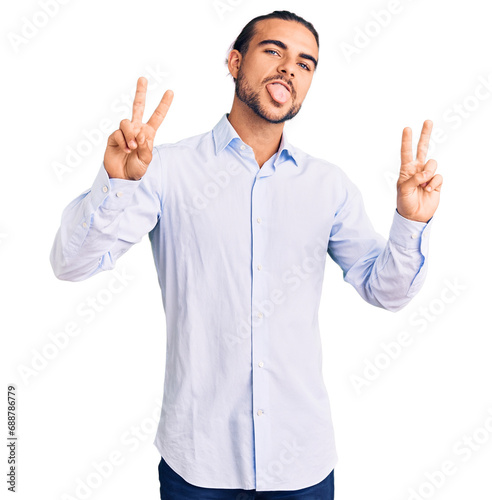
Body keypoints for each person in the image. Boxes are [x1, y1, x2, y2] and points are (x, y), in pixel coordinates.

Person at [50, 9, 442, 500]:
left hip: (302, 464)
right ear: (235, 62)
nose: (289, 69)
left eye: (305, 63)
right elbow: (70, 264)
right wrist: (117, 183)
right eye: (273, 51)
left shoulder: (329, 186)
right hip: (198, 464)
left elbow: (386, 291)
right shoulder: (163, 170)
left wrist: (411, 220)